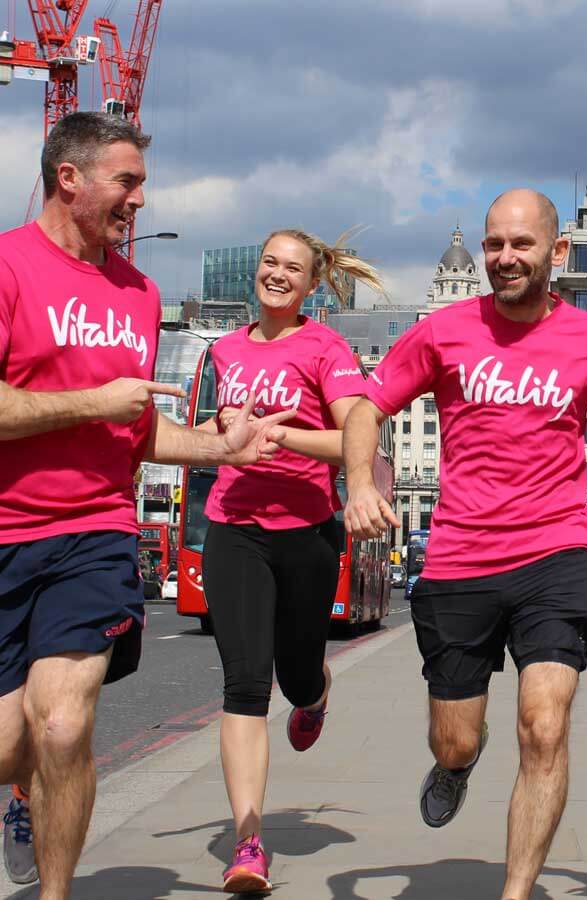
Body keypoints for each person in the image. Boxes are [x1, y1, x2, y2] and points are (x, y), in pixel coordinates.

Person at [340, 188, 587, 900]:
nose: (503, 258)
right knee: (456, 738)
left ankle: (516, 891)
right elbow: (369, 406)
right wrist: (360, 486)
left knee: (544, 725)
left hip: (556, 552)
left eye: (520, 245)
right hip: (462, 557)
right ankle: (455, 766)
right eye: (494, 245)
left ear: (556, 252)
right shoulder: (443, 331)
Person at [0, 112, 291, 899]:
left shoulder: (138, 292)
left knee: (63, 725)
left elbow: (137, 423)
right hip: (3, 533)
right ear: (71, 178)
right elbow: (91, 403)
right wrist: (93, 398)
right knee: (8, 747)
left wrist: (220, 445)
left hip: (93, 529)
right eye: (126, 182)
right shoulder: (6, 266)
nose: (139, 201)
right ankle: (19, 791)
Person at [196, 229, 386, 893]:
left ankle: (316, 693)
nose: (276, 274)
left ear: (311, 286)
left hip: (306, 533)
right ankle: (249, 844)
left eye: (292, 269)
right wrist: (220, 439)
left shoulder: (325, 347)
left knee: (298, 673)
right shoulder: (223, 349)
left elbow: (354, 439)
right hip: (233, 528)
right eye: (269, 263)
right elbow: (213, 437)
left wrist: (283, 434)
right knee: (245, 684)